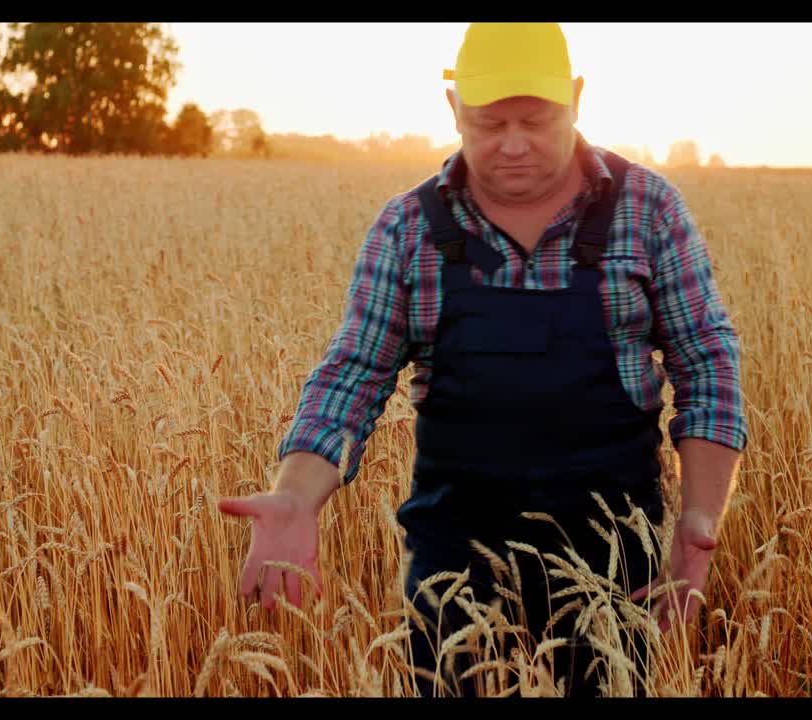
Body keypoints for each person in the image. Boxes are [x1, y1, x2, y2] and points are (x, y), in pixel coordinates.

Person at [219, 22, 747, 697]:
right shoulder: (409, 228)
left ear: (578, 99)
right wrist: (295, 498)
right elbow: (353, 374)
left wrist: (701, 514)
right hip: (456, 565)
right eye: (489, 122)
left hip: (614, 557)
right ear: (452, 110)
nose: (514, 143)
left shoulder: (647, 210)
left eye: (537, 119)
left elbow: (708, 363)